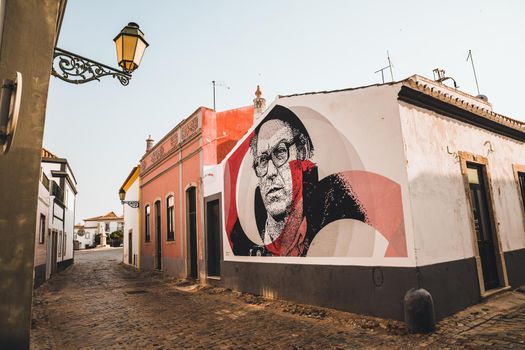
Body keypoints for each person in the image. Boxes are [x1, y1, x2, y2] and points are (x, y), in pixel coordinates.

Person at [227, 105, 368, 257]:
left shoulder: (336, 219)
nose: (270, 172)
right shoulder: (242, 240)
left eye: (280, 152)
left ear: (302, 153)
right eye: (262, 161)